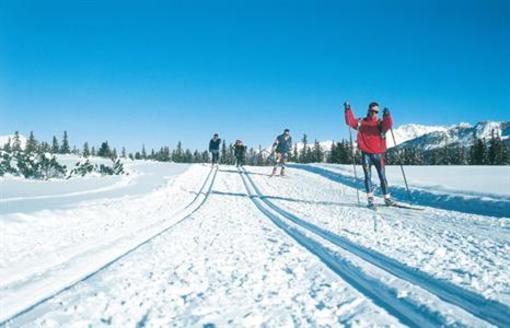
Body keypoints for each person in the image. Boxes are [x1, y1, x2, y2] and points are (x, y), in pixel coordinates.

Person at [344, 101, 394, 208]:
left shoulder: (380, 123)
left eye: (376, 112)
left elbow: (388, 125)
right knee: (367, 177)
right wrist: (348, 109)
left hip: (378, 155)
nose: (374, 113)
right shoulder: (361, 122)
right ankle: (370, 200)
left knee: (382, 177)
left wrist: (387, 116)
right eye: (372, 111)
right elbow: (350, 122)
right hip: (366, 154)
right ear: (368, 110)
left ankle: (387, 198)